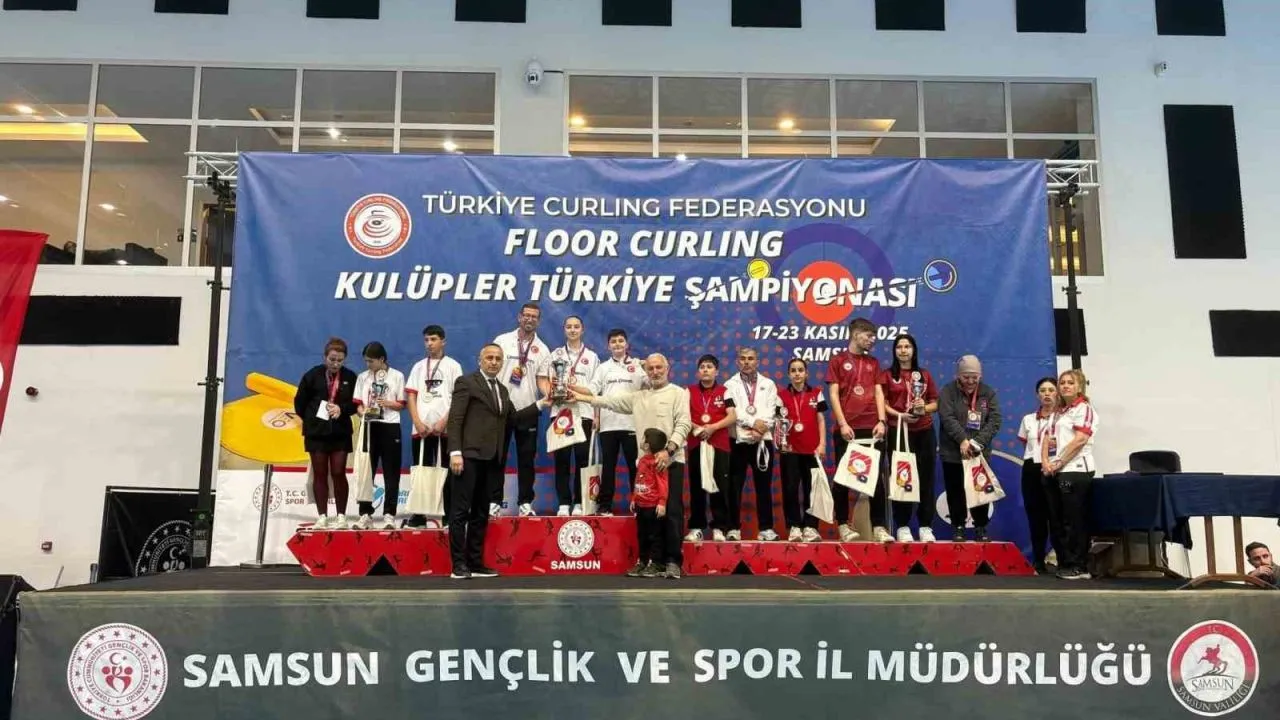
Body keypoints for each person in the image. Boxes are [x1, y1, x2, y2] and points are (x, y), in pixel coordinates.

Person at [570, 353, 691, 578]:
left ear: (667, 368)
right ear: (646, 371)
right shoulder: (638, 397)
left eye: (659, 367)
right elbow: (608, 401)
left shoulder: (678, 393)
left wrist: (668, 450)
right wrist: (579, 397)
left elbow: (684, 424)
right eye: (650, 368)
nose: (655, 372)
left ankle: (673, 561)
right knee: (646, 516)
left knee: (672, 512)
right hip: (645, 467)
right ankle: (650, 561)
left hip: (671, 462)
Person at [446, 344, 551, 579]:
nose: (494, 362)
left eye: (498, 359)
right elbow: (455, 419)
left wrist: (540, 404)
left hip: (492, 460)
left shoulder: (502, 390)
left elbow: (514, 419)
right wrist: (455, 452)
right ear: (480, 360)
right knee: (460, 512)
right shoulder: (466, 382)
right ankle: (458, 565)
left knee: (481, 512)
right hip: (467, 458)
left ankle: (475, 563)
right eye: (489, 358)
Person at [827, 317, 887, 542]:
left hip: (872, 429)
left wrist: (881, 421)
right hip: (847, 429)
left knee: (876, 480)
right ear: (855, 334)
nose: (872, 340)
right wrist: (843, 424)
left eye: (874, 337)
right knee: (843, 479)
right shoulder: (838, 361)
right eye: (869, 336)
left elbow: (879, 392)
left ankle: (879, 527)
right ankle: (843, 524)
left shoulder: (874, 363)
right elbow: (833, 394)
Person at [876, 334, 939, 542]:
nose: (903, 350)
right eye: (899, 347)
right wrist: (899, 415)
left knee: (926, 478)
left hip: (924, 432)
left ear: (914, 350)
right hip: (899, 431)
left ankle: (925, 526)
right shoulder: (887, 375)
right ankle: (902, 526)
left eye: (907, 346)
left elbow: (935, 402)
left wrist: (923, 408)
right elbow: (882, 403)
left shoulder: (924, 375)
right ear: (894, 351)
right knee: (901, 478)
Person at [293, 337, 359, 529]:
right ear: (325, 357)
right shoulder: (312, 375)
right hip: (316, 433)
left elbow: (356, 403)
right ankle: (322, 516)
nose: (335, 364)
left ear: (345, 359)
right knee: (320, 473)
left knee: (338, 472)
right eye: (332, 359)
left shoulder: (350, 377)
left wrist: (342, 409)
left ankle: (341, 516)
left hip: (340, 433)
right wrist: (312, 419)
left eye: (340, 360)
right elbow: (299, 403)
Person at [538, 315, 600, 516]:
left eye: (576, 327)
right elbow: (545, 379)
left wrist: (596, 414)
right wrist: (550, 393)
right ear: (564, 329)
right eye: (569, 327)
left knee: (582, 460)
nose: (573, 330)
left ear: (582, 329)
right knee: (562, 460)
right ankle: (564, 503)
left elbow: (596, 388)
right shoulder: (555, 354)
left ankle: (579, 502)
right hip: (560, 412)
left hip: (584, 413)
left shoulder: (592, 356)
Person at [492, 302, 550, 516]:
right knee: (497, 458)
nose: (529, 319)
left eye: (534, 316)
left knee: (527, 460)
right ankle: (494, 502)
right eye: (526, 315)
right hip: (500, 409)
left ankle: (525, 503)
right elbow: (491, 370)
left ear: (538, 321)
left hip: (528, 410)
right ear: (519, 317)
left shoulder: (543, 349)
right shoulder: (502, 341)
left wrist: (550, 393)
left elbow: (541, 380)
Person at [938, 355, 1002, 542]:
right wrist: (963, 440)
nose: (971, 381)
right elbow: (947, 417)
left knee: (980, 490)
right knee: (955, 490)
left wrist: (976, 443)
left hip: (978, 453)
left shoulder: (988, 393)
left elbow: (995, 420)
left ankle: (981, 527)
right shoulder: (948, 391)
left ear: (980, 376)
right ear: (958, 375)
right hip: (953, 452)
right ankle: (958, 527)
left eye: (975, 377)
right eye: (966, 377)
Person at [404, 325, 463, 528]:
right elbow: (411, 396)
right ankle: (419, 515)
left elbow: (458, 397)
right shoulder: (419, 367)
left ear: (443, 341)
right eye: (426, 340)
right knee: (422, 471)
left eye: (434, 339)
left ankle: (448, 515)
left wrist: (444, 421)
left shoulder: (453, 366)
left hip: (445, 429)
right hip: (421, 430)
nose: (429, 343)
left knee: (447, 472)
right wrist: (417, 422)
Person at [1042, 368, 1098, 580]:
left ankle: (1079, 565)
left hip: (1075, 470)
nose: (1065, 386)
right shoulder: (1058, 412)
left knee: (1074, 519)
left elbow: (1080, 440)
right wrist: (1046, 462)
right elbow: (1048, 438)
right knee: (1057, 519)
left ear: (1079, 387)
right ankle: (1065, 561)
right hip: (1054, 471)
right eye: (1062, 382)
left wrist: (1059, 462)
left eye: (1070, 383)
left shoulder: (1084, 409)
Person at [724, 347, 780, 541]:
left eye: (750, 358)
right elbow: (733, 411)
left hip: (762, 441)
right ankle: (733, 528)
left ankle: (766, 528)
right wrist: (752, 423)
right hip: (738, 441)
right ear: (737, 362)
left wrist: (761, 428)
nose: (746, 362)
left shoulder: (769, 384)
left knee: (764, 486)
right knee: (734, 487)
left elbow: (772, 410)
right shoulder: (729, 384)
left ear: (758, 361)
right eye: (743, 358)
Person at [589, 328, 646, 515]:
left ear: (627, 344)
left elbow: (650, 386)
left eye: (621, 341)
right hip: (608, 425)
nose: (617, 344)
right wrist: (596, 416)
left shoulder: (638, 366)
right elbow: (593, 392)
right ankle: (605, 506)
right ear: (608, 346)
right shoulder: (602, 368)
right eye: (613, 341)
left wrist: (645, 367)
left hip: (632, 424)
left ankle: (639, 504)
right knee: (608, 467)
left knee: (635, 466)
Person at [353, 342, 406, 530]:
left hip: (390, 426)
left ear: (382, 359)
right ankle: (365, 514)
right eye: (366, 361)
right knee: (366, 471)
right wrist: (363, 412)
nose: (368, 365)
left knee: (391, 473)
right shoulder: (363, 377)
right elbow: (358, 404)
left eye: (371, 361)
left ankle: (389, 515)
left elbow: (401, 404)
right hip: (369, 427)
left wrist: (388, 403)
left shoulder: (397, 376)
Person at [684, 354, 736, 542]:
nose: (705, 369)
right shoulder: (688, 391)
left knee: (719, 486)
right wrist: (698, 428)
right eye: (702, 367)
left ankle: (719, 527)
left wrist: (713, 427)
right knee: (697, 486)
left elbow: (732, 416)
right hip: (697, 443)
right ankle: (696, 527)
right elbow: (682, 415)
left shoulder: (725, 391)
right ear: (698, 372)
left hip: (719, 444)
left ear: (717, 372)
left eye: (709, 367)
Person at [778, 358, 827, 542]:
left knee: (812, 489)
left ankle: (811, 527)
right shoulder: (781, 395)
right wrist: (781, 443)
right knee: (790, 489)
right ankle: (794, 527)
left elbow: (821, 420)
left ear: (806, 373)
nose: (797, 373)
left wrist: (822, 444)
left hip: (812, 450)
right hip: (790, 450)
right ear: (788, 374)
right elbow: (779, 423)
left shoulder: (817, 393)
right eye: (793, 370)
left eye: (800, 370)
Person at [1016, 377, 1061, 572]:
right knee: (1036, 516)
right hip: (1032, 468)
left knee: (1056, 515)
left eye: (1051, 390)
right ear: (1037, 395)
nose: (1047, 394)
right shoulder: (1028, 419)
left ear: (1057, 393)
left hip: (1055, 468)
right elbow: (1026, 443)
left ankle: (1062, 559)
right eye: (1043, 390)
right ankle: (1038, 560)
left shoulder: (1062, 418)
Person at [628, 428, 671, 578]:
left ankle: (656, 563)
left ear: (647, 445)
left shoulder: (658, 463)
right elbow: (638, 480)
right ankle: (643, 561)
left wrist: (662, 502)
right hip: (640, 506)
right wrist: (634, 498)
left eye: (643, 438)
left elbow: (663, 483)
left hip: (653, 507)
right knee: (642, 535)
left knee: (655, 536)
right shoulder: (642, 461)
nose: (640, 441)